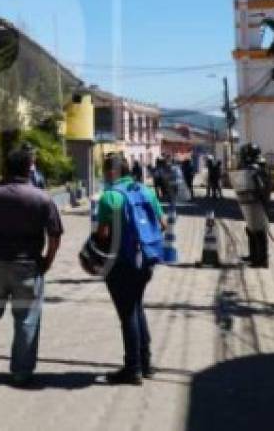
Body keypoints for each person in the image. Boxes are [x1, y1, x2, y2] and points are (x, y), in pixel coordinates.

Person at [0, 148, 64, 387]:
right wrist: (47, 261)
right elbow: (55, 236)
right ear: (29, 168)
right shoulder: (42, 198)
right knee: (26, 319)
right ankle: (21, 372)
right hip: (27, 266)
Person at [97, 153, 166, 385]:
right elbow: (163, 223)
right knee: (137, 308)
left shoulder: (110, 197)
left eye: (105, 171)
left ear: (112, 172)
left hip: (121, 263)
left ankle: (133, 368)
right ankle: (145, 363)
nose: (104, 175)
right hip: (145, 261)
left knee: (127, 314)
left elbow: (104, 234)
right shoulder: (145, 191)